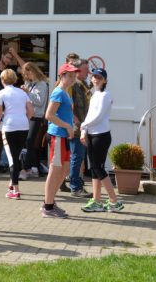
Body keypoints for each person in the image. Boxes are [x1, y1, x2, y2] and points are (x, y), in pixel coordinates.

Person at [79, 68, 124, 212]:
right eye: (94, 77)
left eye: (99, 77)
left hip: (101, 136)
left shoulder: (105, 95)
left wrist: (83, 126)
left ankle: (114, 201)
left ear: (105, 80)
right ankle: (97, 201)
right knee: (94, 169)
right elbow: (89, 115)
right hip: (92, 135)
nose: (95, 79)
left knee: (98, 168)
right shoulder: (95, 94)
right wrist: (84, 131)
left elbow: (98, 116)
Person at [41, 63, 78, 218]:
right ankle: (48, 207)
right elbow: (49, 115)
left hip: (63, 136)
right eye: (69, 76)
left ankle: (49, 201)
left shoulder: (66, 93)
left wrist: (73, 123)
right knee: (55, 170)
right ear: (62, 76)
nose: (72, 78)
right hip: (57, 135)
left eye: (74, 76)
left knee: (65, 170)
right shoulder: (58, 92)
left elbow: (64, 114)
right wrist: (67, 126)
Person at [0, 69, 34, 199]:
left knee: (12, 158)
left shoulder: (1, 93)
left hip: (9, 126)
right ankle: (12, 184)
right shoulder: (22, 93)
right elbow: (31, 111)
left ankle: (16, 190)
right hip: (23, 125)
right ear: (15, 79)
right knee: (16, 155)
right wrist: (24, 119)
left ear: (2, 80)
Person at [19, 62, 48, 180]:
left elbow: (40, 102)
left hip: (36, 116)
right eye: (25, 75)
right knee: (28, 142)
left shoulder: (42, 84)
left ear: (33, 71)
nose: (26, 76)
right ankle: (34, 167)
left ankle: (26, 169)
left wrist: (28, 93)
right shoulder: (29, 83)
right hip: (26, 115)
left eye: (28, 73)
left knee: (30, 141)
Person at [68, 59, 91, 197]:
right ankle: (75, 187)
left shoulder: (84, 85)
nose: (88, 72)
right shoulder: (73, 85)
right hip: (77, 128)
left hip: (84, 126)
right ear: (77, 70)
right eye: (85, 69)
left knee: (79, 157)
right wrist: (74, 120)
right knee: (77, 157)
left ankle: (75, 184)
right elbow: (68, 105)